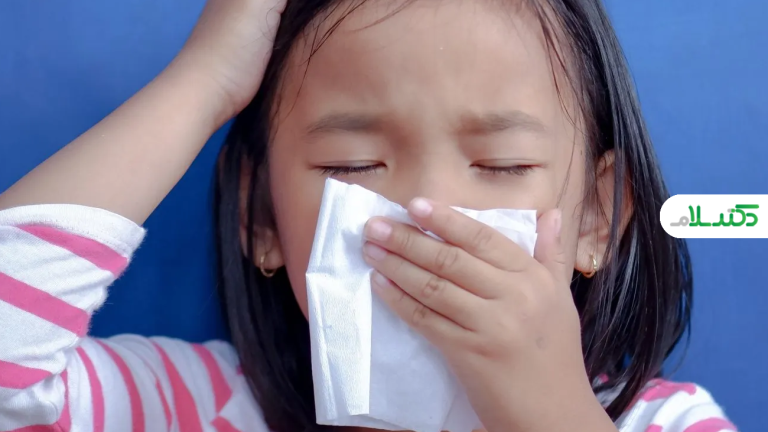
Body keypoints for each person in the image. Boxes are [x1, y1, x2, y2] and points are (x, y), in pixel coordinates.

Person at [0, 0, 738, 431]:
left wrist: (550, 412)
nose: (426, 210)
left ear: (596, 221)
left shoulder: (661, 421)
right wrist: (203, 82)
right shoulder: (190, 406)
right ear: (262, 217)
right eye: (351, 166)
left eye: (501, 165)